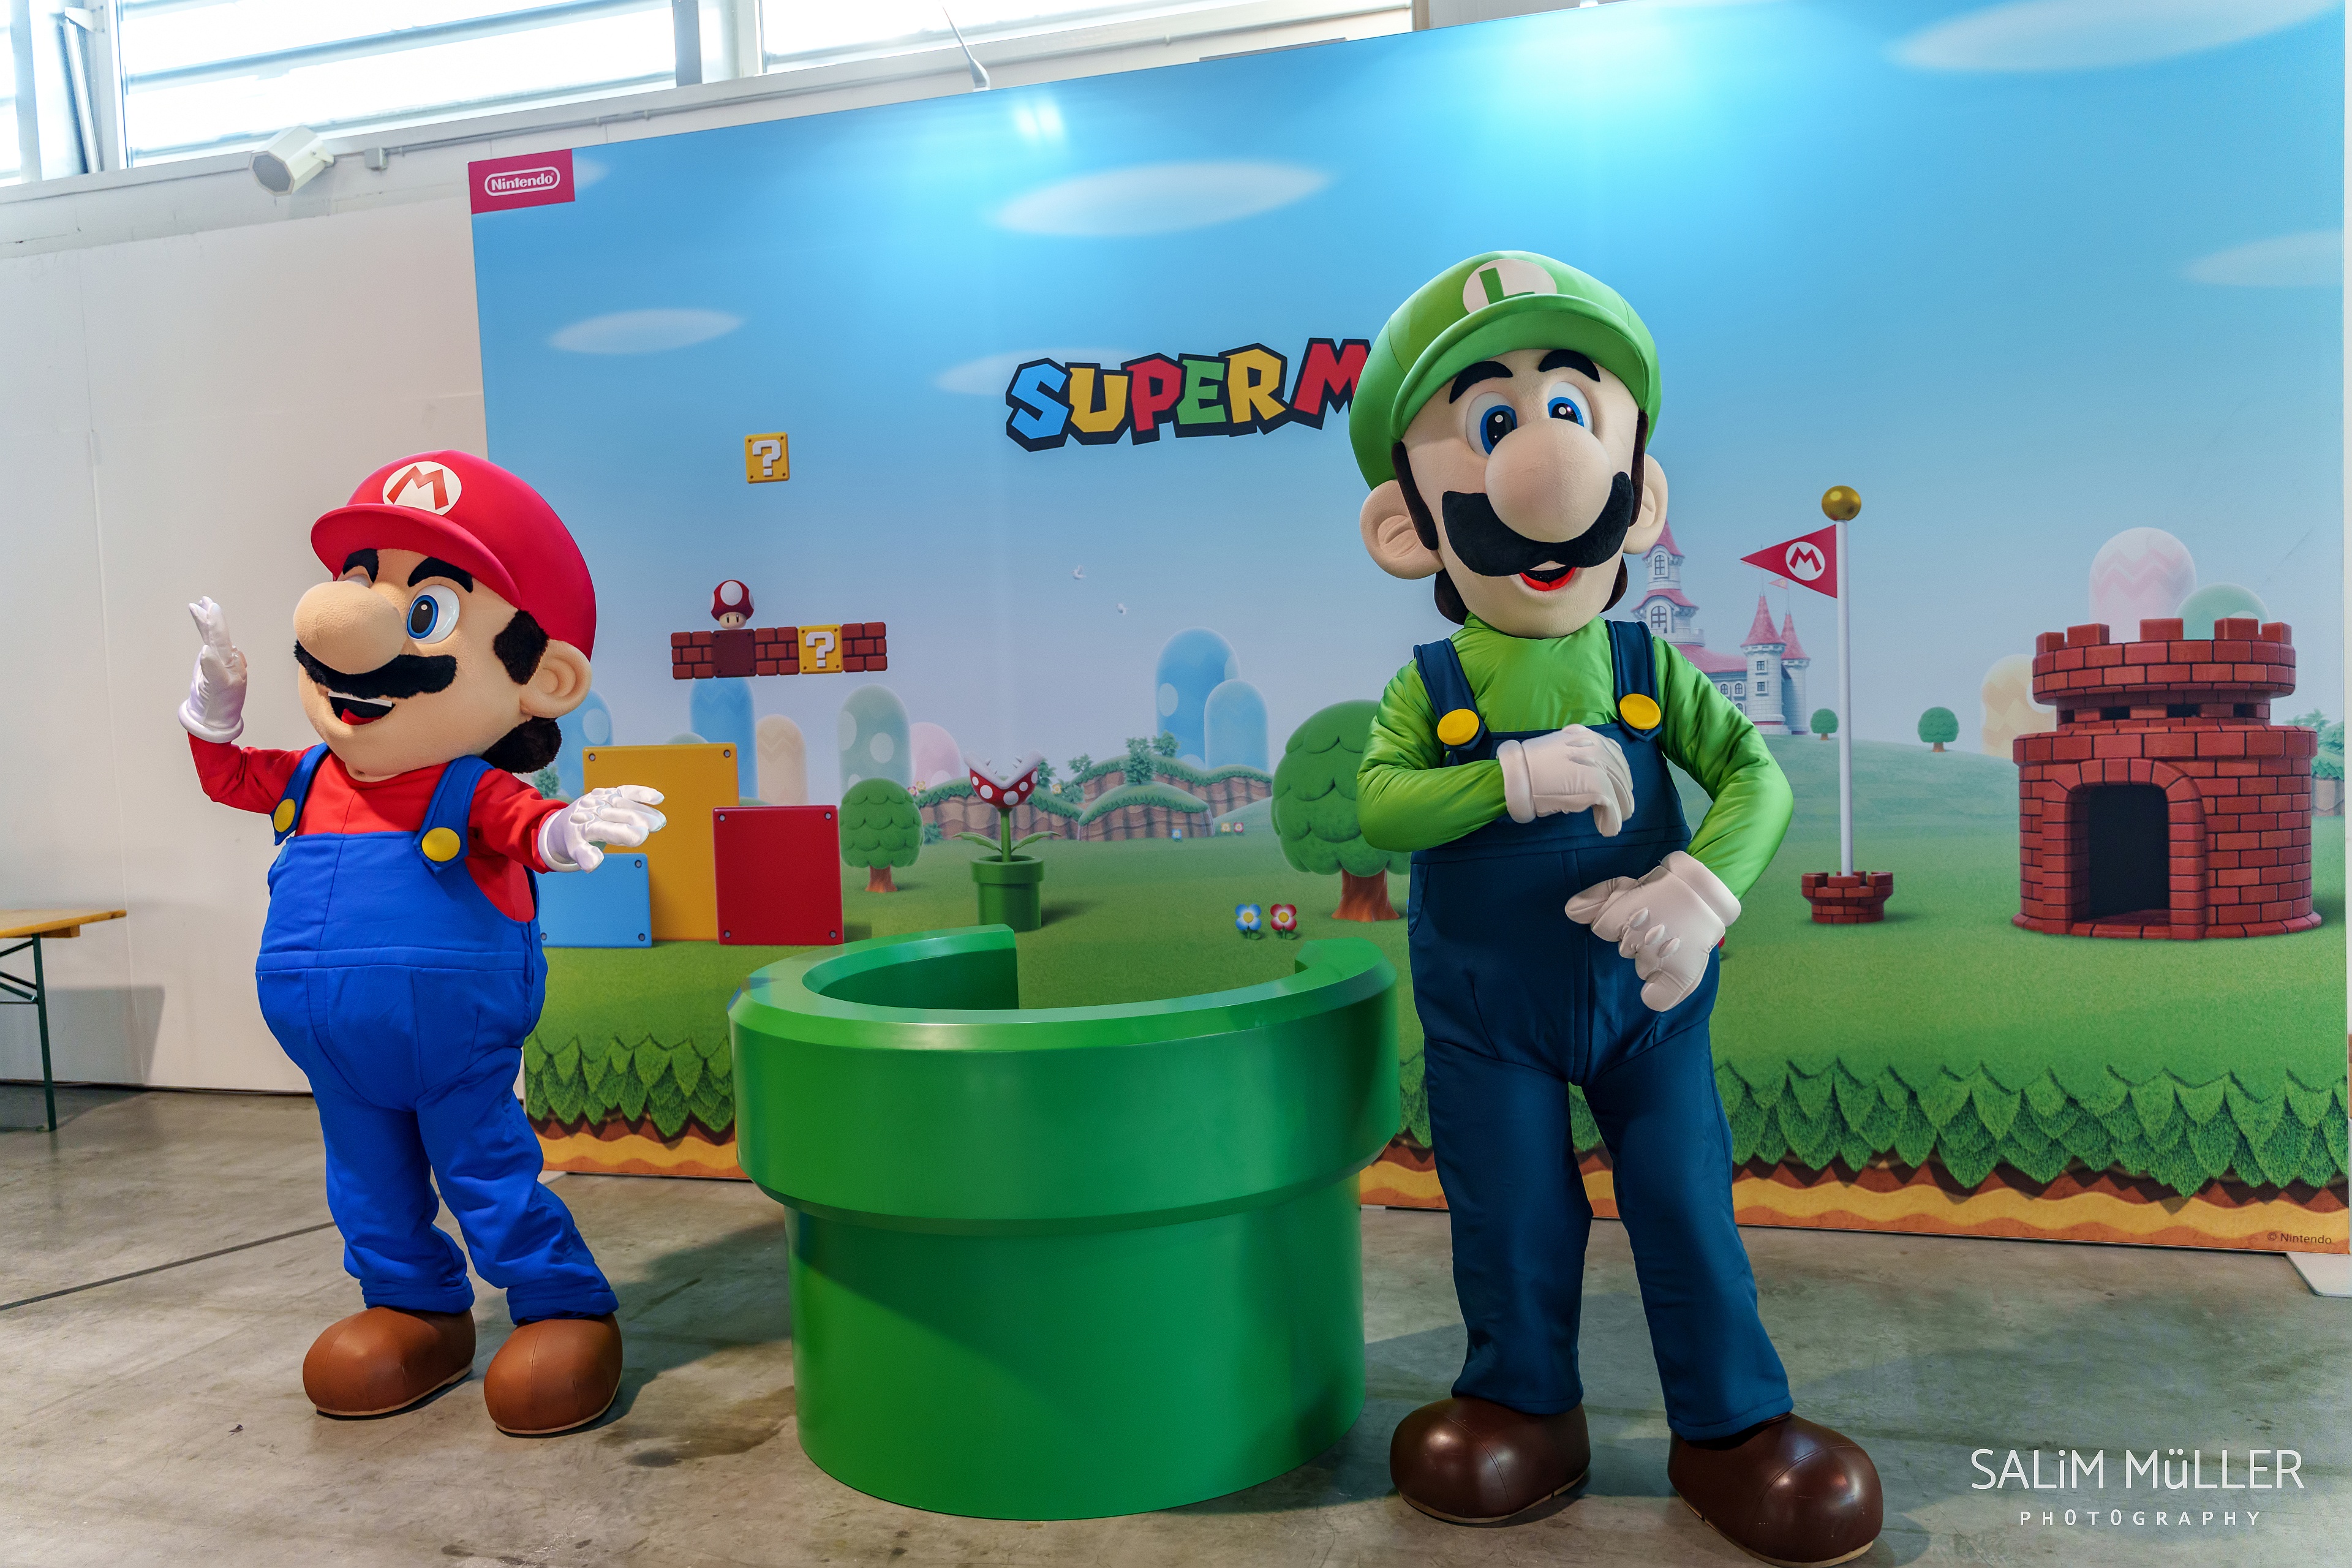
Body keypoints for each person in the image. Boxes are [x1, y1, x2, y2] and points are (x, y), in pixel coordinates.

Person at [1351, 253, 1882, 1566]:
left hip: (1651, 1003)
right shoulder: (1429, 686)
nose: (1547, 460)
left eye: (1572, 411)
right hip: (1491, 1020)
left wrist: (1700, 887)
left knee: (1686, 1202)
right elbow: (1381, 806)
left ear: (1638, 491)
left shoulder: (1649, 667)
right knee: (1513, 1212)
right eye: (1492, 421)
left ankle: (1732, 1425)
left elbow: (1754, 776)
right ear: (1408, 524)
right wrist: (1504, 779)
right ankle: (1522, 1405)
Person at [181, 451, 665, 1436]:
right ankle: (412, 1307)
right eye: (360, 580)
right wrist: (214, 705)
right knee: (366, 1184)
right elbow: (226, 777)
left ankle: (561, 1305)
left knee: (485, 1170)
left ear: (543, 678)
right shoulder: (308, 776)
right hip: (338, 1055)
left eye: (426, 608)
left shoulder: (465, 785)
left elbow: (527, 827)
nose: (351, 627)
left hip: (452, 1046)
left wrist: (569, 831)